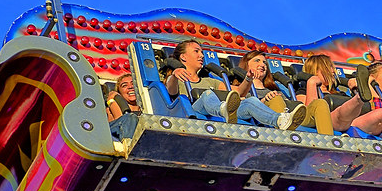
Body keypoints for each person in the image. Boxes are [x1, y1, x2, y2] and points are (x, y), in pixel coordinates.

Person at [165, 40, 303, 130]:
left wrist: (248, 79)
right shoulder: (177, 79)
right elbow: (171, 91)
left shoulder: (210, 81)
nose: (201, 55)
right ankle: (222, 109)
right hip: (195, 109)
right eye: (196, 51)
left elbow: (237, 93)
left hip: (225, 111)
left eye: (202, 52)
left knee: (251, 101)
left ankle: (279, 120)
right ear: (183, 57)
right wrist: (175, 74)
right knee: (208, 94)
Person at [106, 73, 141, 146]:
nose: (130, 87)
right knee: (130, 118)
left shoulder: (148, 110)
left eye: (133, 83)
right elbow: (120, 120)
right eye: (124, 85)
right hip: (117, 137)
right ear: (119, 93)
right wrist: (114, 100)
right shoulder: (110, 109)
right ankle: (129, 146)